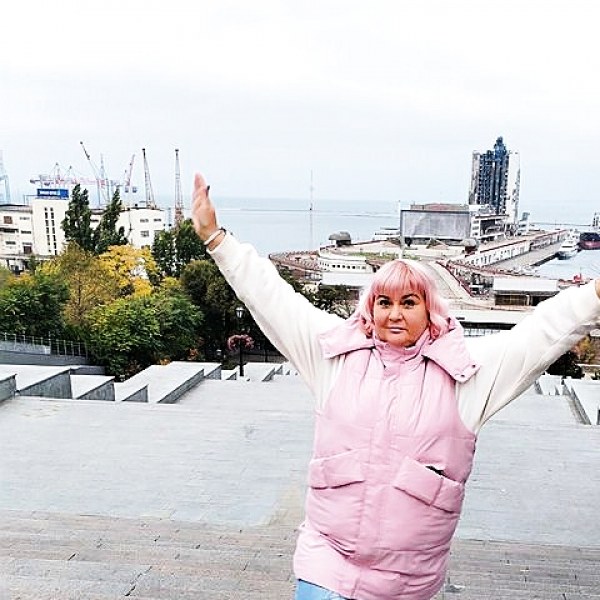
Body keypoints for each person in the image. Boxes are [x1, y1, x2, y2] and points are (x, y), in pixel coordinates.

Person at [191, 173, 600, 600]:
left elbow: (540, 334)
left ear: (429, 309)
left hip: (407, 581)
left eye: (409, 302)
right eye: (384, 302)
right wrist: (217, 239)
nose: (394, 314)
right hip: (326, 564)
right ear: (370, 308)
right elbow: (273, 299)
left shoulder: (465, 373)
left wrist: (594, 294)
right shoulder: (335, 354)